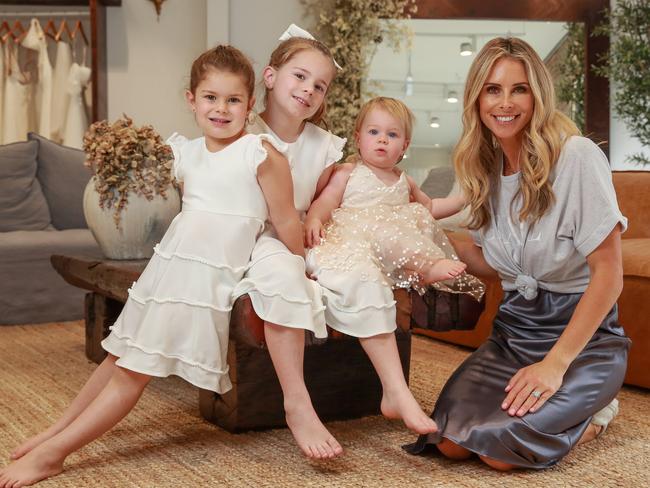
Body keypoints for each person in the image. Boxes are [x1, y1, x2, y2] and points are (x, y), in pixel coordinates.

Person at [0, 45, 302, 487]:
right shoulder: (186, 152)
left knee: (130, 372)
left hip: (203, 281)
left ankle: (54, 455)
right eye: (210, 98)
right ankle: (56, 431)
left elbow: (286, 219)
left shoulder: (260, 153)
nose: (221, 109)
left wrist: (304, 266)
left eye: (233, 100)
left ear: (250, 104)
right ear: (191, 100)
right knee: (116, 355)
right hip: (169, 271)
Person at [405, 37, 631, 471]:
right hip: (514, 334)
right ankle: (558, 410)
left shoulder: (577, 158)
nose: (504, 103)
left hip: (582, 342)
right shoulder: (483, 169)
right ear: (477, 97)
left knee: (500, 455)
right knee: (448, 439)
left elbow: (609, 274)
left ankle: (598, 414)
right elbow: (496, 265)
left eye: (519, 89)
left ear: (537, 95)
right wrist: (425, 233)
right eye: (493, 89)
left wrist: (554, 365)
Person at [304, 96, 484, 435]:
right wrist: (314, 217)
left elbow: (431, 207)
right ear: (358, 137)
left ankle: (422, 265)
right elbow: (326, 201)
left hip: (389, 252)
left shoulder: (404, 180)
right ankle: (426, 266)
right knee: (390, 225)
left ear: (405, 146)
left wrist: (466, 196)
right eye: (374, 132)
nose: (382, 140)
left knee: (414, 213)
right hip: (353, 239)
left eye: (392, 135)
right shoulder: (348, 172)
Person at [231, 24, 348, 459]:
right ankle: (297, 403)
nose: (308, 90)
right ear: (270, 76)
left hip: (301, 233)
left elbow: (321, 201)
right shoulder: (243, 133)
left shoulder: (323, 146)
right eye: (299, 76)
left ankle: (389, 385)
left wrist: (318, 223)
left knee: (353, 270)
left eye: (319, 85)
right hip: (258, 236)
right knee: (282, 271)